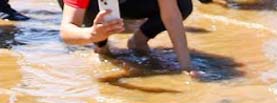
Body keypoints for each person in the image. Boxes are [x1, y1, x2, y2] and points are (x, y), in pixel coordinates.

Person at [57, 0, 194, 72]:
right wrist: (92, 34)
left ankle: (139, 40)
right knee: (101, 43)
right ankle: (101, 46)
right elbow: (66, 31)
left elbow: (171, 16)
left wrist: (186, 67)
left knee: (183, 4)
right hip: (93, 7)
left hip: (132, 4)